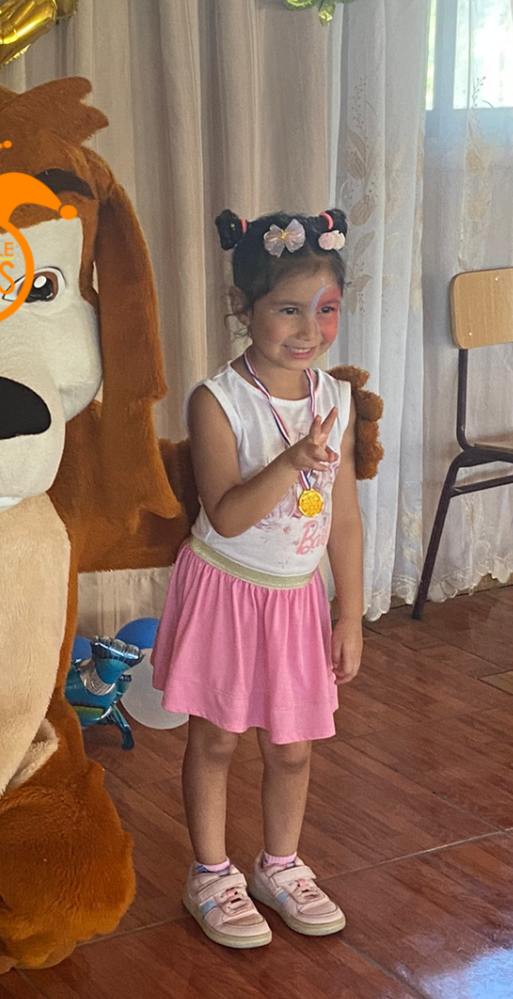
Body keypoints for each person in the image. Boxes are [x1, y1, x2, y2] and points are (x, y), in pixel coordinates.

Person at [151, 208, 364, 948]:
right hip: (226, 591)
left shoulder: (335, 399)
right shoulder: (217, 401)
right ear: (243, 306)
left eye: (326, 309)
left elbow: (343, 519)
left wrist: (350, 613)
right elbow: (229, 515)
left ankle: (280, 866)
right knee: (215, 741)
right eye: (288, 309)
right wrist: (289, 462)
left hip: (297, 600)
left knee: (292, 747)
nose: (309, 329)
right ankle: (211, 874)